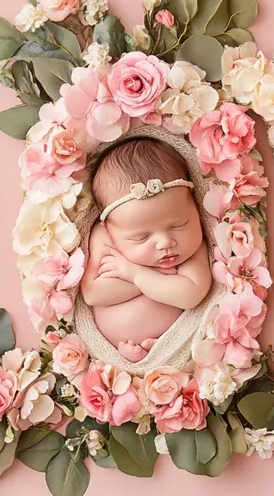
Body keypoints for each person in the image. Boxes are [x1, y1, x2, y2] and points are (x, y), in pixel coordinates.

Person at [79, 138, 212, 362]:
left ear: (196, 209)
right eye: (141, 237)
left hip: (174, 349)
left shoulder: (192, 246)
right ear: (110, 228)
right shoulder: (104, 238)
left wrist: (137, 274)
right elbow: (93, 293)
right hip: (108, 357)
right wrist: (161, 279)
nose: (165, 243)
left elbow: (190, 295)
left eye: (178, 225)